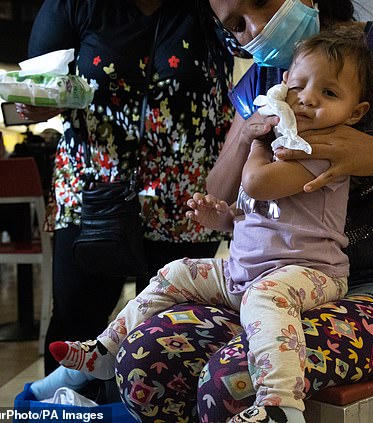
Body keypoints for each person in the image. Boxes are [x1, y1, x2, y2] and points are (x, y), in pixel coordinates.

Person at [113, 1, 373, 422]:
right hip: (276, 285)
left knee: (236, 379)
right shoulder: (263, 85)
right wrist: (248, 135)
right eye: (236, 26)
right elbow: (218, 193)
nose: (256, 28)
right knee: (144, 363)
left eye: (262, 3)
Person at [43, 29, 373, 423]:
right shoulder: (282, 140)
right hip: (244, 273)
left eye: (329, 94)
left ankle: (281, 405)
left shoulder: (326, 147)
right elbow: (255, 209)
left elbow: (258, 182)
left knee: (265, 298)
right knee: (176, 272)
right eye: (298, 87)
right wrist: (225, 217)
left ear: (356, 112)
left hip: (309, 273)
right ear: (281, 88)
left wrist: (256, 140)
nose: (308, 99)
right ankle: (105, 351)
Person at [17, 0, 234, 374]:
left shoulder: (208, 6)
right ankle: (65, 407)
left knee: (168, 335)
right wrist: (38, 103)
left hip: (185, 197)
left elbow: (259, 39)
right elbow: (40, 79)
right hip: (94, 190)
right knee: (77, 319)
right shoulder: (74, 4)